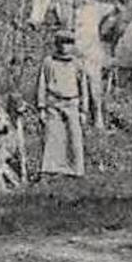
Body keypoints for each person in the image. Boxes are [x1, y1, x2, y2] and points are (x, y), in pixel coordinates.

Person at [35, 29, 89, 179]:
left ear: (73, 45)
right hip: (53, 102)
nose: (65, 46)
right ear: (56, 44)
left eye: (68, 43)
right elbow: (42, 84)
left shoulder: (78, 63)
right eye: (62, 43)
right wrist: (41, 108)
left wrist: (84, 110)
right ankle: (51, 169)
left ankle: (76, 170)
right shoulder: (48, 61)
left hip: (72, 102)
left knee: (74, 136)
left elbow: (83, 86)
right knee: (53, 136)